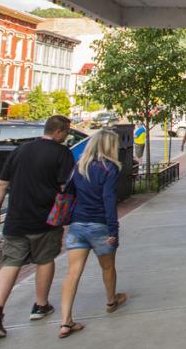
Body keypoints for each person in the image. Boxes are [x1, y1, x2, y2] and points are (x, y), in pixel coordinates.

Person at [0, 116, 76, 339]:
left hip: (16, 218)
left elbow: (2, 184)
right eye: (66, 133)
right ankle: (40, 305)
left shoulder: (20, 150)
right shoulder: (61, 153)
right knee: (44, 260)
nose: (66, 137)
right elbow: (66, 186)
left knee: (10, 263)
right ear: (59, 132)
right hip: (45, 219)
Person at [57, 129, 128, 338]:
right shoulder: (110, 168)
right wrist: (113, 229)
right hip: (100, 225)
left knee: (72, 272)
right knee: (107, 266)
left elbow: (68, 193)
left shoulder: (79, 166)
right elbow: (109, 199)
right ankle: (110, 300)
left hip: (78, 224)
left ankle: (65, 321)